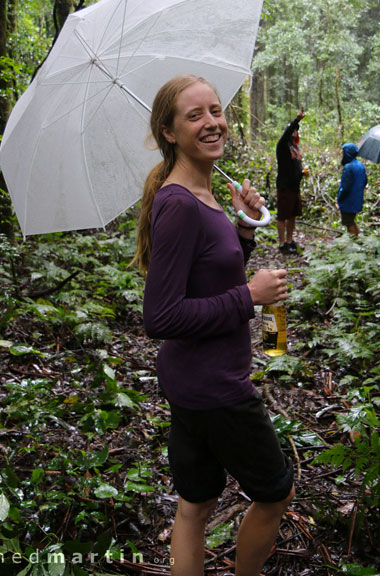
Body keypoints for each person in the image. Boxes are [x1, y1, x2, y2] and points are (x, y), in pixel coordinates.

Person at [134, 74, 295, 576]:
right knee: (275, 493)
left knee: (195, 504)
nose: (212, 123)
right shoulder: (179, 203)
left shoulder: (201, 194)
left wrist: (244, 227)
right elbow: (160, 316)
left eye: (216, 110)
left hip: (191, 382)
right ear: (169, 132)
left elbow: (209, 275)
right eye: (194, 115)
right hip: (215, 387)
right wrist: (250, 296)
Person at [276, 107, 305, 254]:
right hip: (285, 186)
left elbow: (296, 165)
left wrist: (302, 173)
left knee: (293, 215)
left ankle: (289, 240)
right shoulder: (282, 146)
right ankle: (282, 244)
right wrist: (297, 119)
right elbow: (286, 133)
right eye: (294, 129)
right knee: (282, 215)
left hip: (295, 187)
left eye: (297, 130)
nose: (295, 132)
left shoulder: (295, 147)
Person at [337, 143, 367, 237]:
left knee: (348, 222)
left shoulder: (348, 167)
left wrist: (339, 198)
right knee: (351, 221)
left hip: (348, 200)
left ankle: (355, 244)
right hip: (357, 199)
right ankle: (359, 240)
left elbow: (345, 186)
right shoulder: (360, 165)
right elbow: (365, 181)